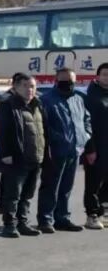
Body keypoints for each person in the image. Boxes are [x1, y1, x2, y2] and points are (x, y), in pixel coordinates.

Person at [37, 68, 93, 233]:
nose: (67, 84)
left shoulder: (79, 98)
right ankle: (45, 219)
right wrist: (56, 140)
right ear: (56, 81)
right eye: (63, 81)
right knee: (50, 187)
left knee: (66, 188)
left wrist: (85, 135)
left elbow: (86, 119)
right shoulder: (46, 100)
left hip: (74, 150)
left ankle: (62, 218)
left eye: (71, 81)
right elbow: (43, 125)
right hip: (55, 151)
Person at [0, 73, 46, 239]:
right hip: (16, 158)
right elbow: (1, 131)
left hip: (35, 157)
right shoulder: (8, 106)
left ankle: (23, 222)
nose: (29, 90)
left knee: (27, 194)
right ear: (15, 87)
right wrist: (5, 154)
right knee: (13, 194)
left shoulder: (38, 105)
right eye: (25, 86)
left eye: (32, 86)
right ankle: (9, 224)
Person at [85, 62, 108, 229]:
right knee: (94, 182)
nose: (107, 78)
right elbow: (86, 124)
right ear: (98, 77)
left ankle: (103, 212)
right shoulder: (91, 97)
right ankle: (92, 214)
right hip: (97, 147)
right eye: (105, 74)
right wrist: (90, 148)